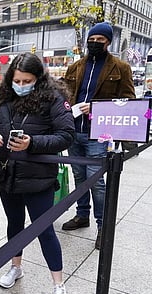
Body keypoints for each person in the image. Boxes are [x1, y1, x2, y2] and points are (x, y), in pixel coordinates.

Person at [0, 52, 75, 294]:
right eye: (17, 80)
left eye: (27, 81)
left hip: (38, 178)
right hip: (7, 176)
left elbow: (66, 135)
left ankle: (58, 285)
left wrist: (32, 143)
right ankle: (16, 267)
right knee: (14, 225)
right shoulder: (3, 99)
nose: (21, 85)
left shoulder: (52, 99)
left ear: (38, 79)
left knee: (44, 230)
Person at [62, 22, 136, 249]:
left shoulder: (120, 68)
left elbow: (128, 102)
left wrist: (96, 107)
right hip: (74, 130)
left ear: (108, 42)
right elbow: (64, 94)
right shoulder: (76, 67)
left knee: (97, 182)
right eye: (91, 40)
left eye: (99, 41)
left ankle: (103, 226)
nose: (94, 44)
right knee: (79, 177)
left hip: (99, 133)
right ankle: (82, 214)